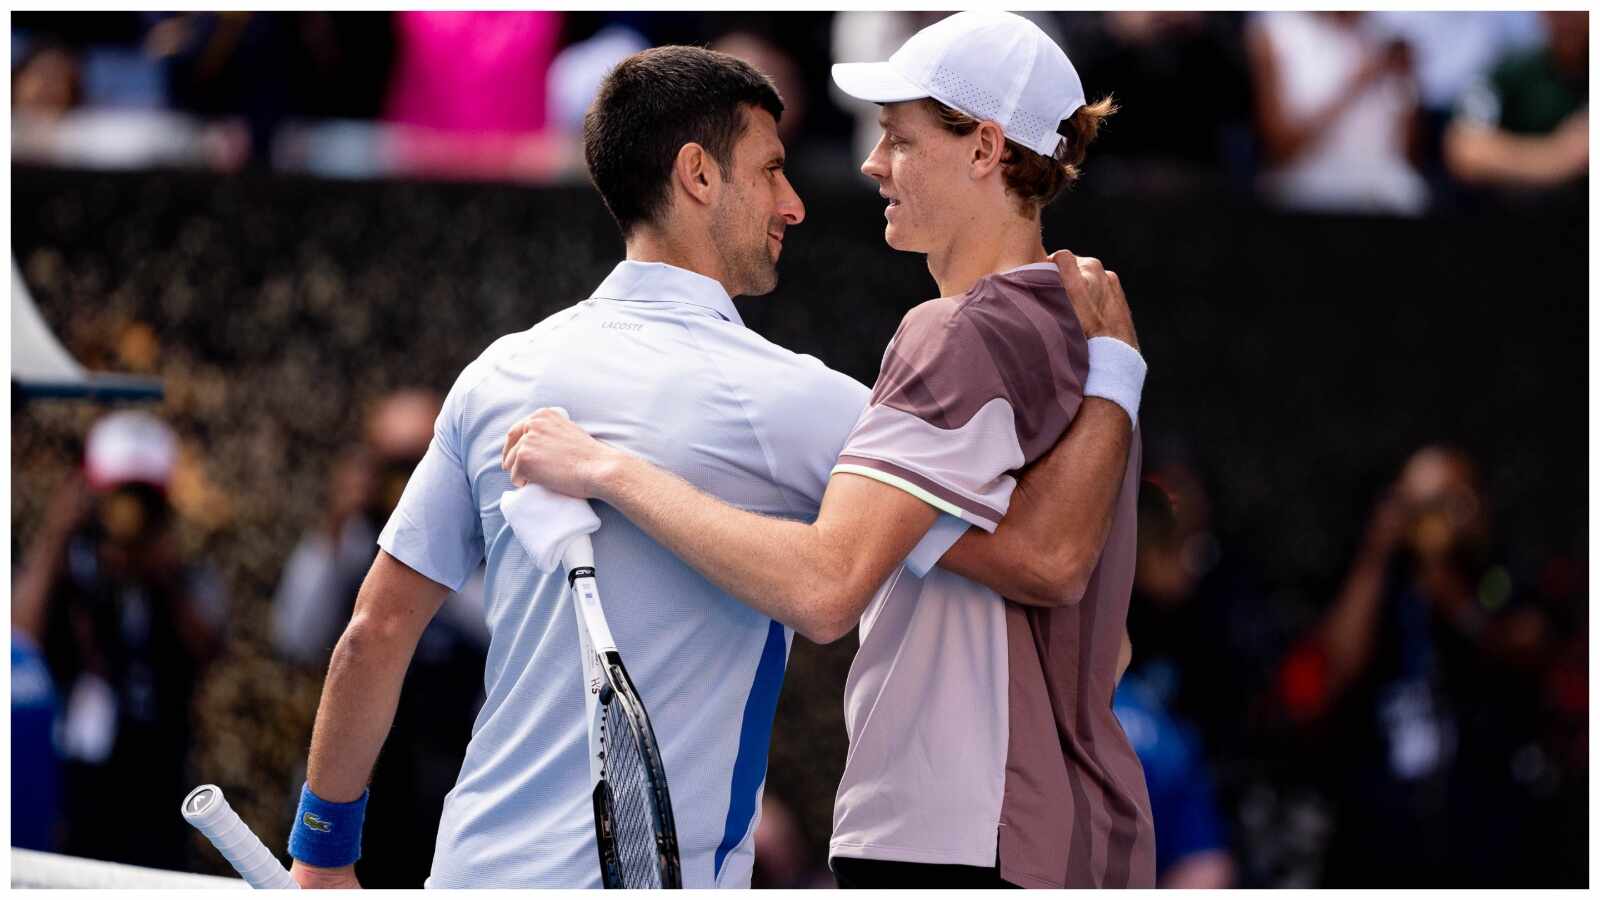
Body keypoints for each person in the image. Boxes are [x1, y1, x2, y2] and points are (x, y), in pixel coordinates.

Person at [289, 39, 1141, 889]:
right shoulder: (806, 403)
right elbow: (1046, 569)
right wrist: (1114, 380)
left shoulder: (498, 374)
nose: (798, 202)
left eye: (898, 139)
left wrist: (322, 856)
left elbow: (376, 630)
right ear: (699, 176)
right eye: (773, 169)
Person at [1277, 445, 1555, 885]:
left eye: (1449, 501)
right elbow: (1333, 669)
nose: (1435, 518)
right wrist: (1376, 552)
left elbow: (1526, 647)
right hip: (1376, 839)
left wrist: (1449, 587)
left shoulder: (1499, 578)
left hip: (1485, 835)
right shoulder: (1379, 585)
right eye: (1420, 504)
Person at [270, 389, 488, 887]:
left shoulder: (478, 542)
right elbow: (293, 634)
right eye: (390, 465)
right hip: (358, 795)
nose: (402, 481)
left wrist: (424, 557)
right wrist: (337, 525)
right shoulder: (345, 544)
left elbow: (499, 632)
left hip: (445, 800)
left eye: (417, 464)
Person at [12, 411, 228, 869]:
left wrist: (162, 579)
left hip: (158, 785)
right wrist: (55, 539)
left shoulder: (183, 575)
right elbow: (17, 642)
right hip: (74, 788)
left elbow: (208, 651)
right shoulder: (71, 571)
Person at [1247, 12, 1429, 215]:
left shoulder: (1387, 38)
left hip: (1384, 201)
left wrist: (1409, 87)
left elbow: (1408, 155)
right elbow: (1279, 147)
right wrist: (1358, 82)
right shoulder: (1277, 32)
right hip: (1307, 199)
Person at [1444, 11, 1588, 190]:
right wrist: (1556, 156)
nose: (1567, 18)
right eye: (1558, 11)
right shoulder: (1514, 70)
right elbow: (1464, 148)